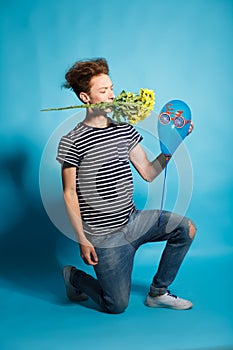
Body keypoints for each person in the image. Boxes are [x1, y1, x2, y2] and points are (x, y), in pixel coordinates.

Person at [56, 57, 196, 314]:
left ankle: (158, 292)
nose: (111, 95)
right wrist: (82, 239)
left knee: (185, 229)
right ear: (86, 98)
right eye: (103, 90)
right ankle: (73, 276)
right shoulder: (71, 141)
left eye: (111, 88)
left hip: (133, 221)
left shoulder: (124, 130)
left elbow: (148, 172)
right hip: (103, 236)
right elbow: (69, 193)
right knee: (116, 305)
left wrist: (172, 145)